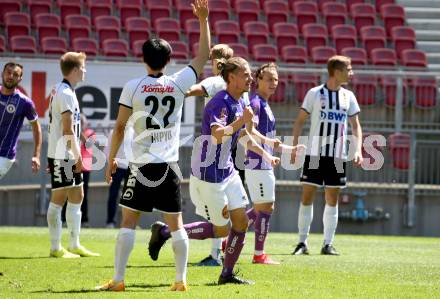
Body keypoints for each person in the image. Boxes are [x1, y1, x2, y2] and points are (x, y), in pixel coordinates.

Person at [96, 0, 210, 292]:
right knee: (177, 225)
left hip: (142, 166)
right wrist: (203, 20)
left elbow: (120, 127)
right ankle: (180, 280)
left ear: (143, 59)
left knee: (128, 222)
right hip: (169, 165)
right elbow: (203, 56)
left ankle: (119, 281)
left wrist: (110, 159)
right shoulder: (179, 82)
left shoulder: (133, 86)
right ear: (169, 60)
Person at [148, 57, 280, 285]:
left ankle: (227, 274)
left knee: (241, 224)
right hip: (209, 174)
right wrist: (241, 121)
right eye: (245, 74)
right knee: (221, 230)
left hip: (227, 171)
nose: (250, 78)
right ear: (231, 77)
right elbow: (218, 135)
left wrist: (266, 153)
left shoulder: (239, 102)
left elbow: (242, 136)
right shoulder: (220, 102)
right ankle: (165, 233)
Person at [290, 55, 363, 256]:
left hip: (337, 156)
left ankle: (327, 244)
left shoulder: (348, 97)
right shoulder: (314, 94)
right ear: (336, 72)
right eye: (348, 69)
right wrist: (295, 147)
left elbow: (356, 126)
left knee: (332, 198)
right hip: (314, 153)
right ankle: (302, 243)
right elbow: (299, 122)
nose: (351, 73)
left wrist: (357, 149)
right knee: (307, 197)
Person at [244, 63, 305, 264]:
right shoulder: (255, 103)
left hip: (263, 162)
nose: (273, 83)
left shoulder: (265, 104)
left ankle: (232, 238)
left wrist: (290, 150)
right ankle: (259, 255)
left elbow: (269, 140)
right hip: (257, 162)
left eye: (276, 79)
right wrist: (270, 149)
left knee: (261, 207)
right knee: (266, 208)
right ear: (258, 80)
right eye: (269, 79)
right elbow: (250, 131)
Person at [46, 52, 100, 258]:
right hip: (63, 153)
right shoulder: (66, 93)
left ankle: (74, 244)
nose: (85, 71)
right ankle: (55, 247)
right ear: (76, 70)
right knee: (59, 198)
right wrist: (78, 156)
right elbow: (67, 129)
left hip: (62, 152)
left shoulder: (64, 90)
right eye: (83, 67)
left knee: (77, 195)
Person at [184, 44, 234, 267]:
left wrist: (174, 89)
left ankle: (214, 253)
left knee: (209, 203)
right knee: (221, 205)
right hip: (226, 150)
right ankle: (219, 250)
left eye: (217, 58)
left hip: (212, 151)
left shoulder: (215, 82)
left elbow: (192, 91)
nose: (217, 62)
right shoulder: (233, 85)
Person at [0, 62, 41, 180]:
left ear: (20, 79)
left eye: (15, 74)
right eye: (8, 72)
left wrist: (36, 155)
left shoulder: (25, 102)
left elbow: (36, 128)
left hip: (4, 156)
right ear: (2, 73)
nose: (11, 76)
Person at [104, 126, 133, 228]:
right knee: (113, 195)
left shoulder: (134, 132)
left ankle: (130, 222)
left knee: (130, 197)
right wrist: (110, 164)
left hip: (130, 168)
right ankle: (110, 222)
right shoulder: (113, 132)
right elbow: (107, 149)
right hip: (117, 167)